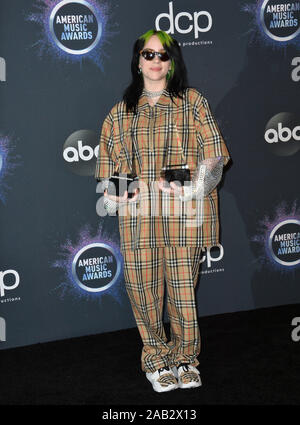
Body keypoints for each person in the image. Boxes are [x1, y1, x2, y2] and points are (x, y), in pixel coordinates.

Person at [95, 29, 230, 393]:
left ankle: (185, 358)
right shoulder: (119, 113)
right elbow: (108, 173)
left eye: (163, 55)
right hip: (139, 221)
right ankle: (155, 358)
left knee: (184, 294)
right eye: (149, 54)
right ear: (137, 61)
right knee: (144, 294)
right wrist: (117, 194)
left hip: (184, 220)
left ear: (172, 63)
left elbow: (215, 158)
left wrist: (193, 188)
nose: (156, 61)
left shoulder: (192, 102)